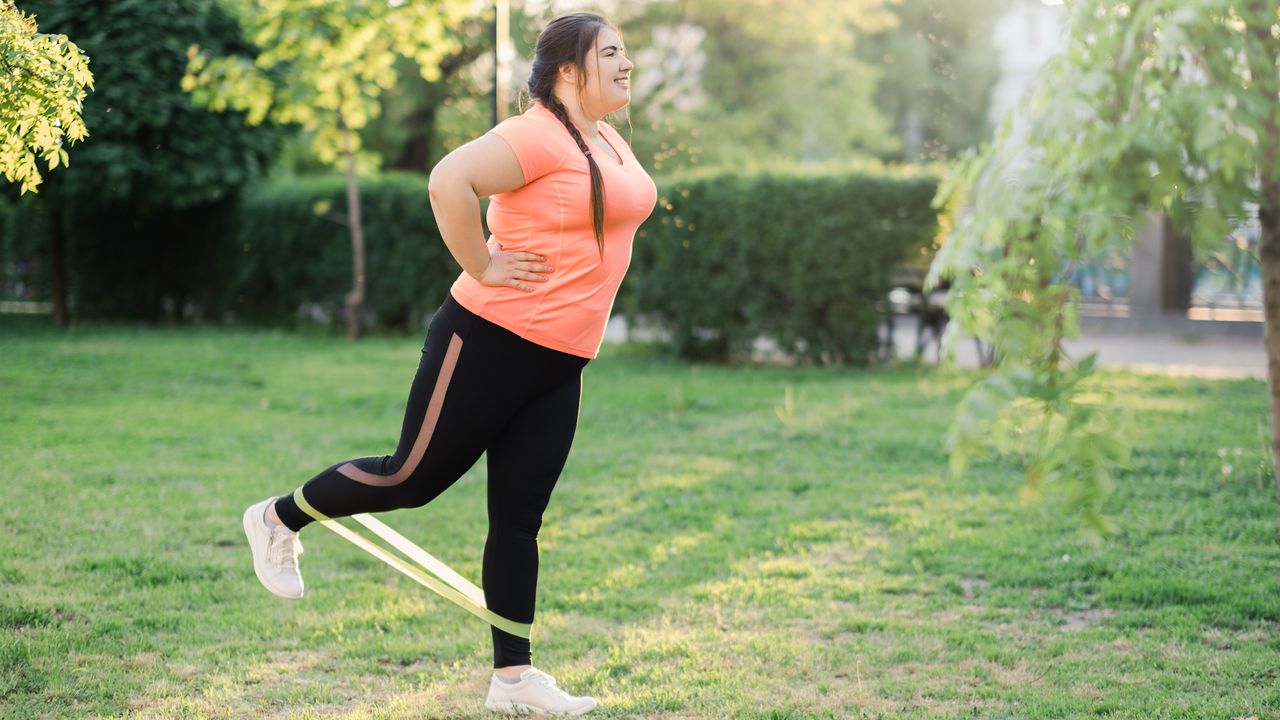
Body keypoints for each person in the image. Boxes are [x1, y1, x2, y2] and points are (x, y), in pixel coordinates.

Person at [240, 11, 654, 716]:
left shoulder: (605, 138)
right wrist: (483, 264)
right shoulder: (535, 135)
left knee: (519, 518)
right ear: (568, 70)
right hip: (489, 340)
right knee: (409, 477)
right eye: (610, 53)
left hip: (560, 363)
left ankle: (513, 680)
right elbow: (447, 180)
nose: (626, 64)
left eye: (624, 52)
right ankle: (277, 520)